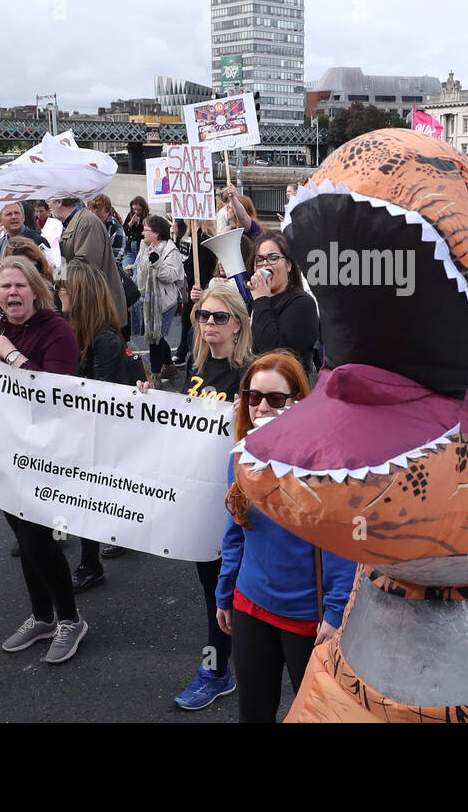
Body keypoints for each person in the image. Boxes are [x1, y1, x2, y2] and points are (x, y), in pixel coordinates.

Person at [0, 256, 87, 662]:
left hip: (44, 454)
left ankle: (70, 619)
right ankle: (42, 615)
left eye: (20, 286)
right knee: (24, 538)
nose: (12, 293)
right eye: (5, 287)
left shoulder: (56, 331)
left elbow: (58, 397)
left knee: (38, 537)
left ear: (35, 289)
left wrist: (12, 356)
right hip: (0, 453)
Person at [216, 352, 353, 722]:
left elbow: (341, 543)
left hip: (307, 617)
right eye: (253, 396)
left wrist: (336, 611)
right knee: (253, 711)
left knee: (314, 713)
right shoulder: (242, 456)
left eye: (274, 399)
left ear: (297, 402)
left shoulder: (323, 463)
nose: (261, 407)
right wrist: (224, 592)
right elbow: (236, 528)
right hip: (249, 605)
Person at [170, 282, 254, 710]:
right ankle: (221, 670)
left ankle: (220, 670)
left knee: (233, 590)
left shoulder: (250, 374)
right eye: (203, 315)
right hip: (200, 502)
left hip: (238, 505)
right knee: (213, 590)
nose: (209, 324)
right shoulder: (196, 368)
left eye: (219, 316)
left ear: (238, 324)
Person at [55, 262, 136, 592]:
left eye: (64, 287)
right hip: (80, 426)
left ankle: (91, 564)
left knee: (89, 493)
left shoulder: (104, 338)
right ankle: (110, 540)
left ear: (80, 293)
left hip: (101, 428)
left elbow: (98, 395)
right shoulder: (70, 327)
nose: (58, 292)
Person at [50, 195, 128, 335]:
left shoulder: (87, 222)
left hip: (97, 311)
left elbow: (85, 268)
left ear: (59, 202)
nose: (49, 206)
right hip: (88, 308)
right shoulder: (75, 222)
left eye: (49, 201)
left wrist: (54, 271)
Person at [249, 232, 320, 371]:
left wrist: (261, 299)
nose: (265, 264)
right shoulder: (255, 300)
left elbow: (271, 350)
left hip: (286, 388)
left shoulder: (303, 303)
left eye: (273, 258)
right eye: (259, 259)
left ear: (288, 265)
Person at [135, 213, 186, 379]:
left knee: (154, 338)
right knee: (155, 336)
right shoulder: (144, 245)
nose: (143, 233)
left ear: (156, 233)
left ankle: (155, 375)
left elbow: (171, 276)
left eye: (146, 230)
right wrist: (133, 269)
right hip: (147, 299)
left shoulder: (172, 251)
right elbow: (140, 266)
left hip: (164, 302)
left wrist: (157, 263)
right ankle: (169, 366)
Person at [88, 194, 127, 267]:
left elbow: (116, 258)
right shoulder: (87, 223)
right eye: (94, 217)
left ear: (108, 212)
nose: (97, 221)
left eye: (101, 217)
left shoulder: (116, 229)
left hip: (106, 272)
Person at [122, 196, 147, 273]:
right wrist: (131, 223)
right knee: (125, 270)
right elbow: (124, 231)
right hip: (130, 250)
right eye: (134, 209)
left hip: (140, 249)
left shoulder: (147, 218)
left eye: (139, 210)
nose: (136, 212)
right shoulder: (130, 215)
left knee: (137, 272)